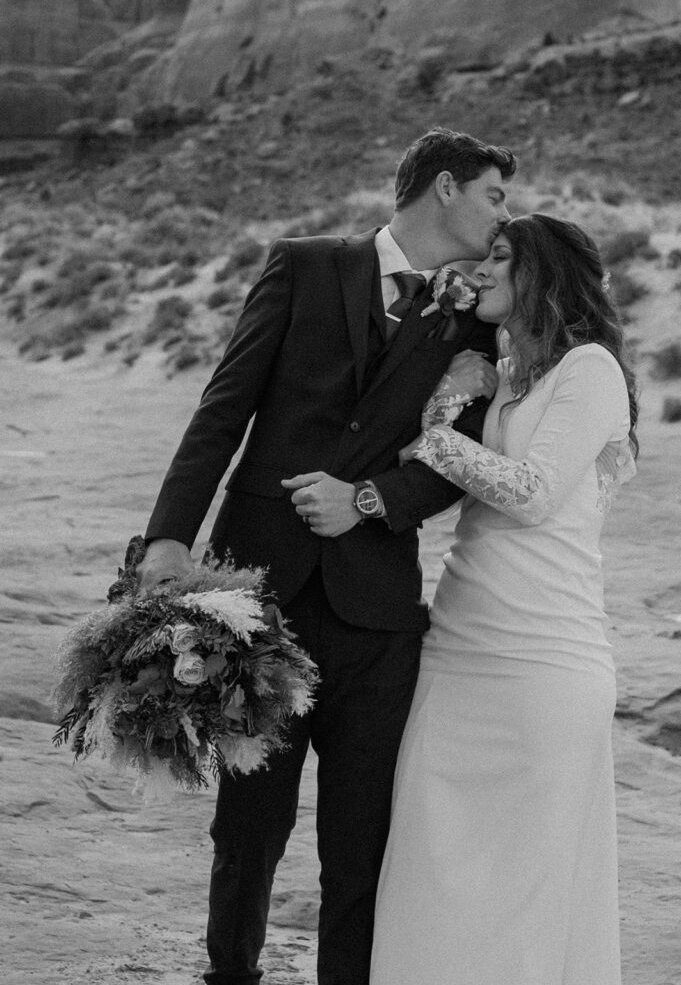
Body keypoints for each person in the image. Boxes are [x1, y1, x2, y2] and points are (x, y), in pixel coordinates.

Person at [135, 127, 517, 985]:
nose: (506, 215)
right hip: (261, 601)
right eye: (495, 195)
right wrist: (167, 536)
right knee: (247, 833)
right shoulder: (304, 265)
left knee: (361, 842)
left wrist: (371, 501)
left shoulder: (472, 320)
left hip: (378, 614)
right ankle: (229, 973)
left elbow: (457, 460)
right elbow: (223, 407)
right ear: (446, 187)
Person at [369, 213, 638, 985]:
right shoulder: (508, 372)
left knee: (523, 890)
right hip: (456, 649)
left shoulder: (588, 370)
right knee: (430, 866)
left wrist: (435, 425)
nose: (480, 270)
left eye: (498, 258)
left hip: (539, 660)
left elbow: (527, 494)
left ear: (543, 275)